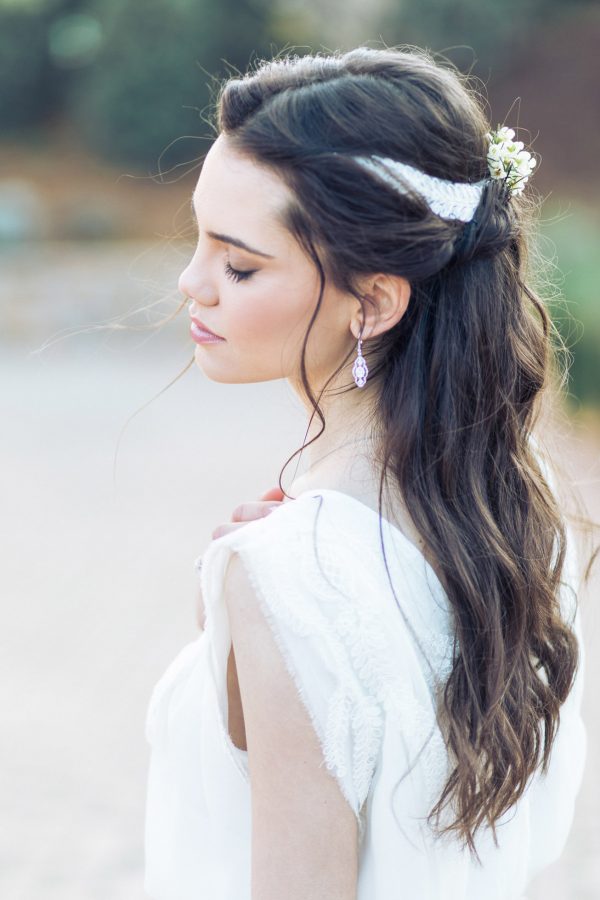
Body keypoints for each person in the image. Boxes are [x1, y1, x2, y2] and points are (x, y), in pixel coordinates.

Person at [143, 45, 587, 900]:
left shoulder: (286, 573)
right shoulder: (512, 513)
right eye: (197, 238)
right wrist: (232, 640)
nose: (191, 282)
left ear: (375, 300)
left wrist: (264, 606)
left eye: (240, 265)